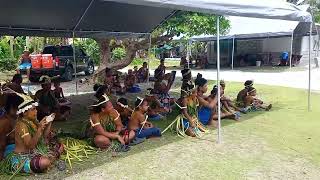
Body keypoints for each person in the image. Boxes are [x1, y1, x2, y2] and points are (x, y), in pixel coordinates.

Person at [11, 94, 63, 174]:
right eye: (33, 109)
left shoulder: (32, 122)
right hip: (22, 158)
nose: (36, 111)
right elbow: (30, 146)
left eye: (36, 109)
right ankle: (49, 161)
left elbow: (43, 137)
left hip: (34, 153)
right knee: (45, 162)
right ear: (24, 113)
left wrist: (49, 123)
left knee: (60, 146)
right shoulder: (21, 125)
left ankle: (49, 161)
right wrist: (39, 128)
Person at [0, 94, 23, 160]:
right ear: (12, 107)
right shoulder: (4, 122)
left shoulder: (17, 119)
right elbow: (2, 145)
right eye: (18, 108)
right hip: (6, 156)